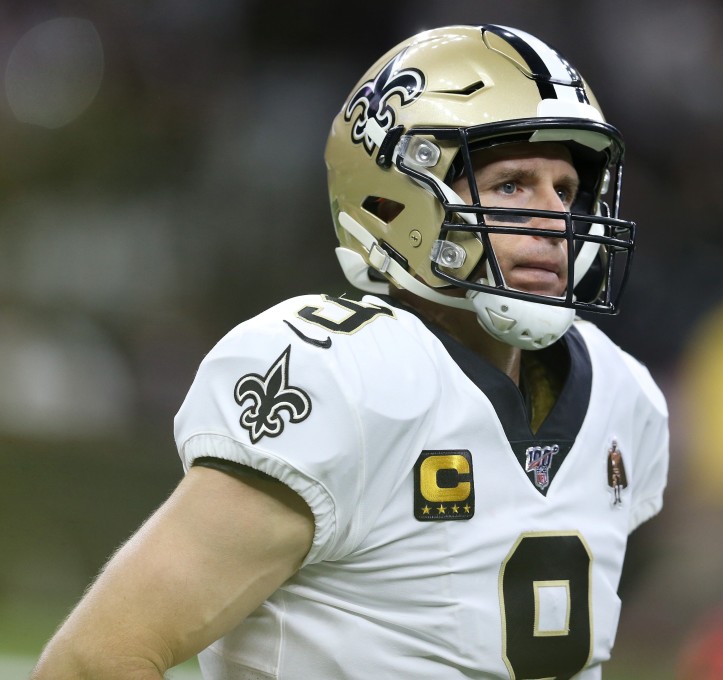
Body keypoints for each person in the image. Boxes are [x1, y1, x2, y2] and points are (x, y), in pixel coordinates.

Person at [32, 23, 669, 679]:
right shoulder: (347, 378)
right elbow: (93, 662)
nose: (554, 218)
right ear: (396, 200)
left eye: (565, 190)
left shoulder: (622, 397)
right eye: (513, 185)